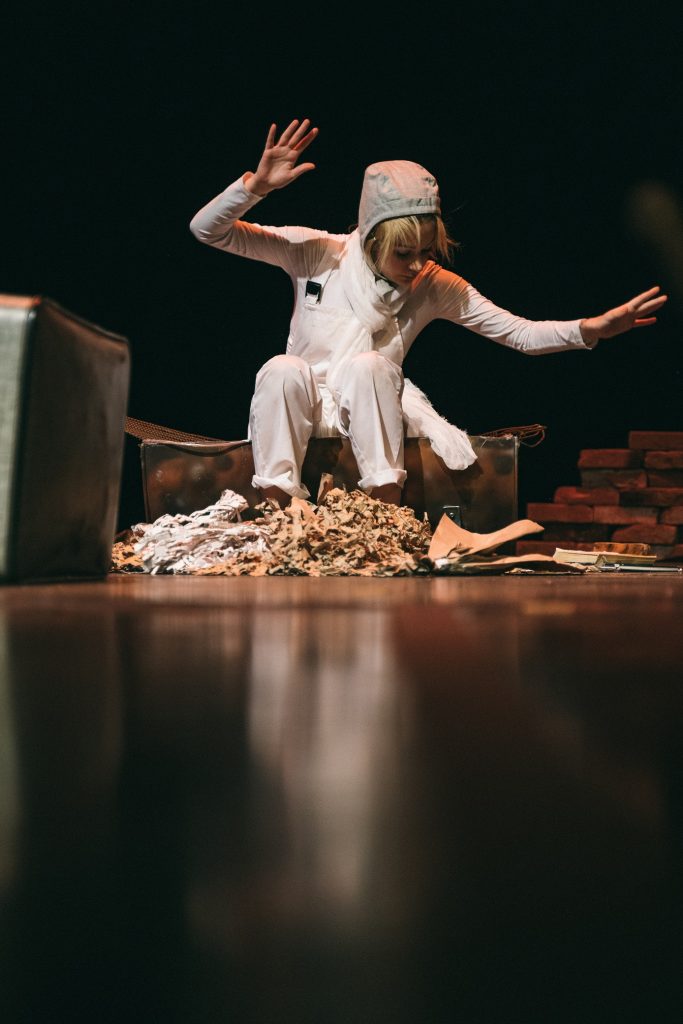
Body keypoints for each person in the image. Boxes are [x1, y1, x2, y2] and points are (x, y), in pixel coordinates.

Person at [189, 118, 667, 508]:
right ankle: (275, 511)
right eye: (404, 253)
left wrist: (591, 329)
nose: (417, 264)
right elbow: (208, 230)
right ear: (372, 238)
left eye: (425, 250)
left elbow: (519, 334)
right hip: (301, 409)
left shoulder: (432, 284)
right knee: (281, 368)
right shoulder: (319, 253)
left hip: (371, 412)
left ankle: (382, 513)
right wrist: (254, 188)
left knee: (371, 365)